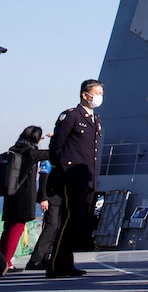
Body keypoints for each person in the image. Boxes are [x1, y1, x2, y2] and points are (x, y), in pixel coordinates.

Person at [46, 79, 104, 279]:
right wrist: (62, 169)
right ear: (85, 94)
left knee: (78, 221)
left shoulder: (96, 120)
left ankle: (66, 263)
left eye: (101, 93)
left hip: (88, 178)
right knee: (72, 218)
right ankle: (56, 265)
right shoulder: (71, 116)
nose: (99, 97)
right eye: (96, 93)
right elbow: (56, 146)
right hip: (72, 178)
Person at [0, 126, 49, 272]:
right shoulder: (31, 153)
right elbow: (52, 154)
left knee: (8, 229)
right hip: (24, 196)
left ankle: (2, 260)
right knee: (17, 229)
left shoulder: (13, 150)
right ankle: (6, 263)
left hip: (10, 194)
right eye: (41, 138)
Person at [26, 158, 59, 270]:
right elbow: (43, 179)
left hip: (59, 198)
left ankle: (45, 257)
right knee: (51, 226)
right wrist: (43, 198)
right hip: (51, 198)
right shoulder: (49, 159)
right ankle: (35, 259)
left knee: (56, 227)